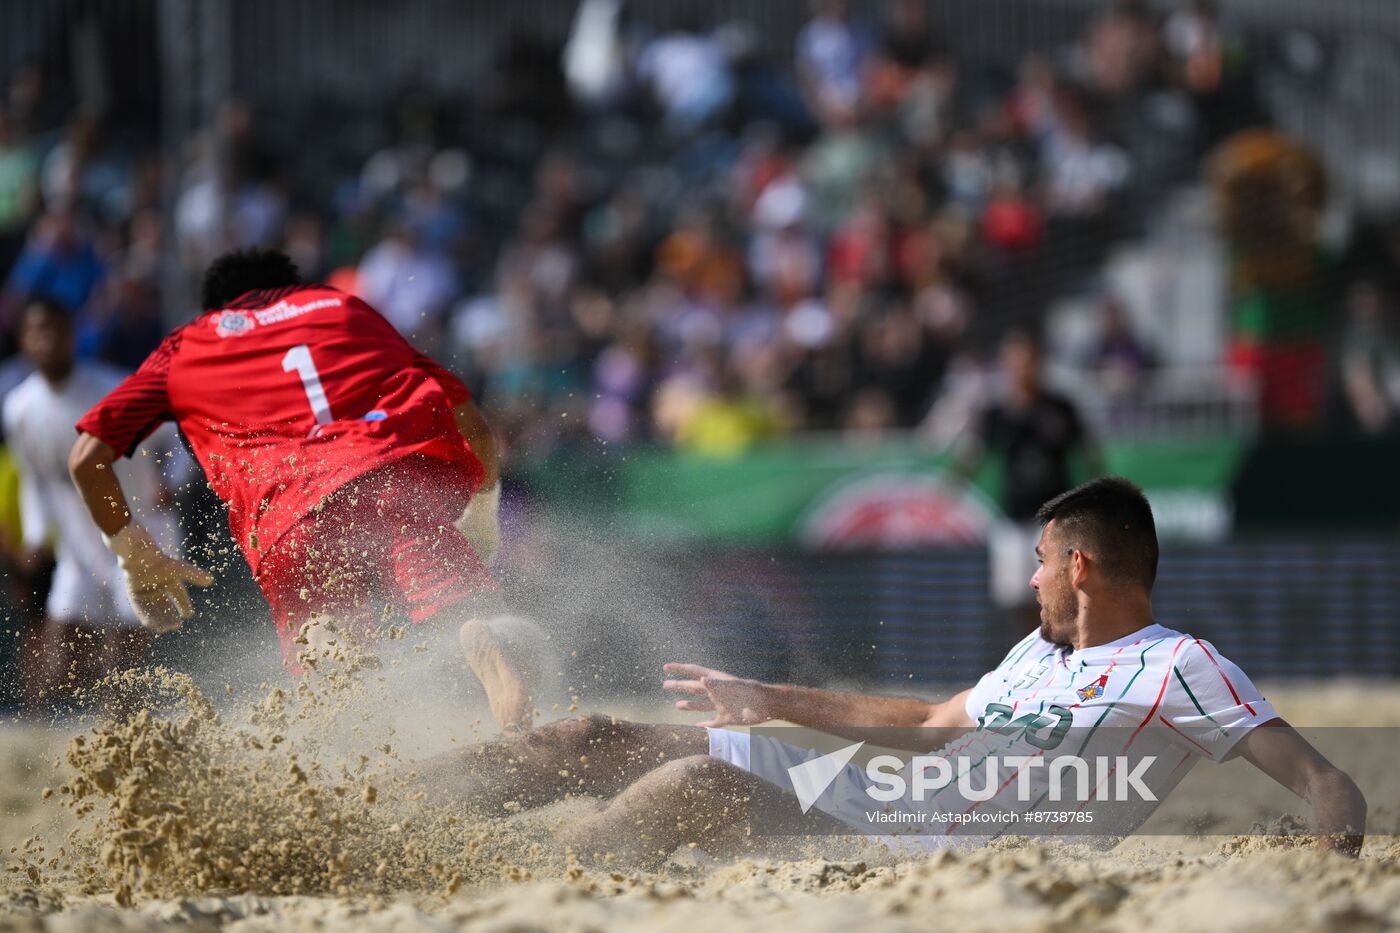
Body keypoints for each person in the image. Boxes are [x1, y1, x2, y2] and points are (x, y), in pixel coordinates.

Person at [413, 478, 1366, 866]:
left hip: (925, 839)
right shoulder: (1043, 650)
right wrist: (767, 699)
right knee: (595, 737)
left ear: (1081, 565)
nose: (1028, 574)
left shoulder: (1181, 665)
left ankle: (514, 877)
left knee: (690, 782)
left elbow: (1329, 782)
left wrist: (1332, 866)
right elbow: (926, 718)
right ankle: (369, 812)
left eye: (1039, 556)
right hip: (891, 794)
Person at [68, 248, 538, 730]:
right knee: (466, 612)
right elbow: (473, 423)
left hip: (287, 516)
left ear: (218, 308)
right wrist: (483, 512)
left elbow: (85, 459)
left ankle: (363, 762)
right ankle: (487, 658)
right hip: (385, 479)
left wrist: (135, 556)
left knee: (335, 676)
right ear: (294, 287)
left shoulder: (188, 344)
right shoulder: (343, 308)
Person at [3, 297, 177, 714]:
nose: (46, 340)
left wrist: (172, 482)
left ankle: (136, 755)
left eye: (55, 329)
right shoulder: (19, 408)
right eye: (36, 331)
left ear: (72, 334)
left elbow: (174, 439)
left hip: (140, 540)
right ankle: (37, 761)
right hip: (79, 548)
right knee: (57, 661)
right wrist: (36, 535)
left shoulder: (112, 388)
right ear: (23, 341)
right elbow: (36, 480)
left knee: (120, 665)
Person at [955, 331, 1100, 625]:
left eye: (1027, 360)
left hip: (1054, 520)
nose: (1021, 368)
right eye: (1014, 362)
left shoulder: (1059, 408)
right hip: (1013, 520)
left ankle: (1062, 655)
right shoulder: (997, 414)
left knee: (1059, 593)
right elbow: (972, 456)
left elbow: (1088, 453)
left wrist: (1093, 499)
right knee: (1016, 597)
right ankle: (1031, 656)